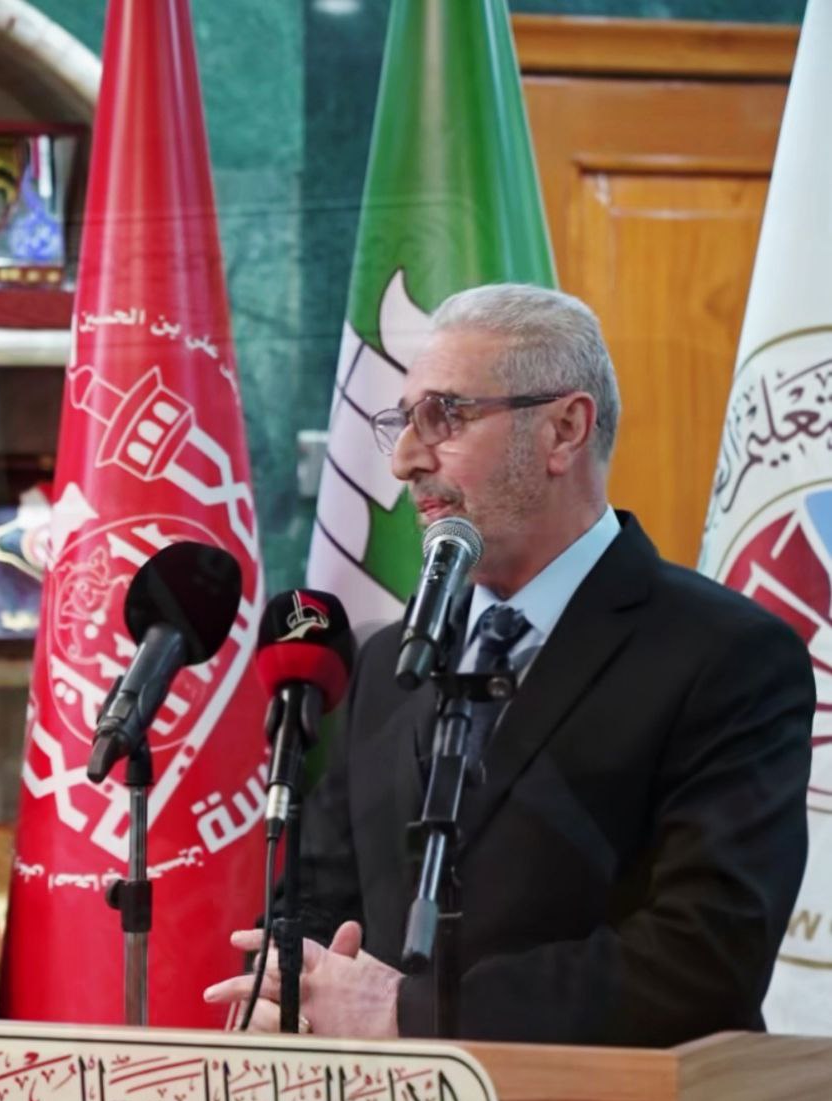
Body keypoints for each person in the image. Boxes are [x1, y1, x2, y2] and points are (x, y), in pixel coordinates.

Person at [205, 283, 815, 1046]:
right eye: (402, 421)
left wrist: (409, 1014)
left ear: (563, 430)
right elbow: (317, 899)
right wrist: (288, 986)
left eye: (444, 417)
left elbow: (705, 956)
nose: (404, 460)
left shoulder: (725, 655)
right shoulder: (393, 659)